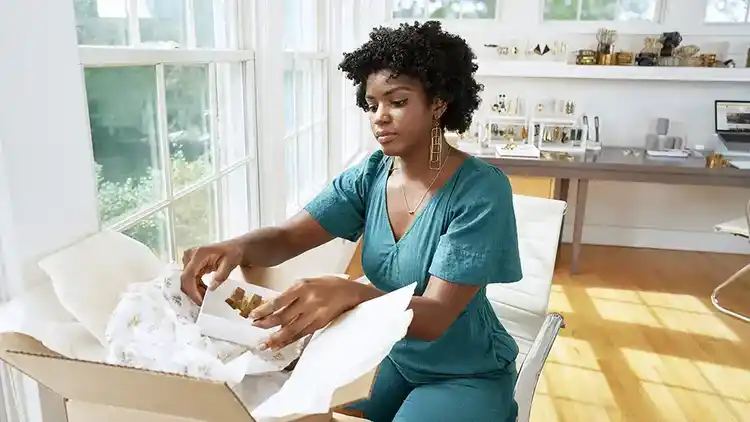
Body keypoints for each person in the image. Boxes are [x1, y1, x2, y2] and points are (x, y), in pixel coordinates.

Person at [181, 21, 521, 422]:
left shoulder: (481, 191)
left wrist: (350, 292)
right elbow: (288, 237)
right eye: (372, 104)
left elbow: (435, 317)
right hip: (389, 355)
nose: (380, 117)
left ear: (439, 103)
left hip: (465, 371)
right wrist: (235, 247)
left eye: (397, 101)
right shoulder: (372, 174)